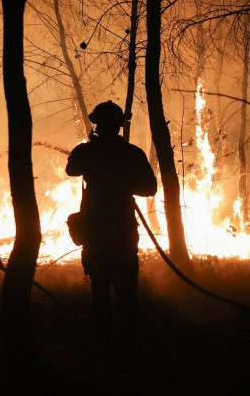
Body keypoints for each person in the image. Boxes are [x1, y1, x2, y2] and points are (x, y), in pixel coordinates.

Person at [66, 100, 158, 345]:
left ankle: (105, 336)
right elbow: (149, 188)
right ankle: (128, 336)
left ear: (96, 124)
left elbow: (72, 169)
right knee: (125, 287)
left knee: (101, 286)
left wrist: (91, 151)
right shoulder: (131, 153)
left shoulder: (89, 152)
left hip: (98, 228)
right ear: (119, 125)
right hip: (121, 229)